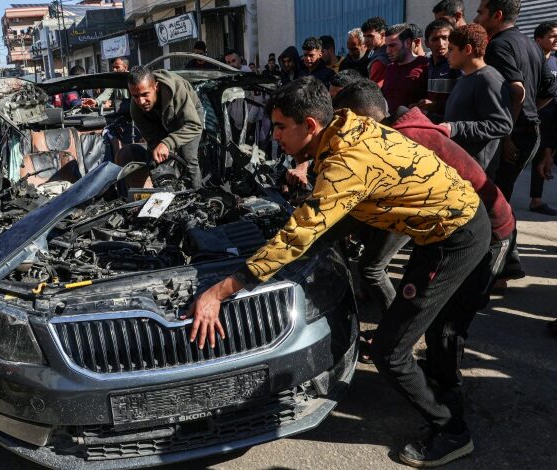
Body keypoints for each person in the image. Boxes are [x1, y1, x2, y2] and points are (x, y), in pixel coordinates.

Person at [185, 76, 489, 467]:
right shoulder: (345, 123)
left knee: (390, 351)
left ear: (310, 125)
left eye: (280, 127)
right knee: (415, 327)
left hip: (455, 238)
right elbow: (340, 212)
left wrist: (221, 290)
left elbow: (302, 233)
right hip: (440, 228)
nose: (273, 135)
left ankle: (451, 430)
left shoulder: (345, 164)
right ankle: (440, 389)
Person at [333, 81, 514, 467]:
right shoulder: (399, 130)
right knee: (432, 325)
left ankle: (451, 425)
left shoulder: (404, 142)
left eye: (345, 123)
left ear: (363, 119)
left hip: (490, 233)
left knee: (447, 327)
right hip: (456, 232)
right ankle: (436, 385)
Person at [475, 0, 557, 201]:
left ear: (497, 16)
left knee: (493, 199)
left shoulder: (498, 45)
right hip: (527, 133)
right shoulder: (530, 43)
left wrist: (507, 134)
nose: (477, 18)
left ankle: (499, 232)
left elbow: (517, 90)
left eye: (480, 12)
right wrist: (529, 111)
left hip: (513, 135)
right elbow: (550, 90)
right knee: (502, 194)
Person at [442, 24, 512, 174]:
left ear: (467, 49)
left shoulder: (489, 79)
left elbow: (502, 124)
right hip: (460, 164)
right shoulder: (465, 77)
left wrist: (454, 128)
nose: (447, 54)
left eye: (451, 49)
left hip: (476, 171)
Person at [126, 65, 204, 189]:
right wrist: (158, 149)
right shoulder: (136, 109)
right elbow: (152, 139)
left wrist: (167, 143)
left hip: (188, 117)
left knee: (188, 157)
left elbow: (193, 125)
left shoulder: (176, 87)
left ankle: (199, 195)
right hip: (160, 118)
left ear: (156, 87)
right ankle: (164, 196)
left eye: (145, 94)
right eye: (135, 96)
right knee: (154, 158)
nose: (141, 101)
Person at [529, 21, 557, 215]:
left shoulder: (555, 61)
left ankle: (536, 200)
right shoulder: (532, 61)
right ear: (539, 39)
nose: (556, 40)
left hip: (553, 119)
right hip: (534, 117)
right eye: (552, 35)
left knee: (546, 158)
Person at [418, 18, 461, 121]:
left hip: (451, 125)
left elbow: (464, 100)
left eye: (445, 38)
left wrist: (436, 105)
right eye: (435, 39)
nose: (441, 43)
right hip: (434, 121)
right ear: (427, 43)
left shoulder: (457, 65)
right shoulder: (429, 65)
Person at [382, 23, 430, 113]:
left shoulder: (426, 66)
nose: (387, 51)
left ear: (407, 43)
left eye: (392, 45)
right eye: (386, 46)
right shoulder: (389, 69)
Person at [362, 16, 390, 86]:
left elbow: (374, 88)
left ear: (382, 35)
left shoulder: (380, 60)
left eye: (370, 36)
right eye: (364, 36)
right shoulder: (381, 53)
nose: (366, 40)